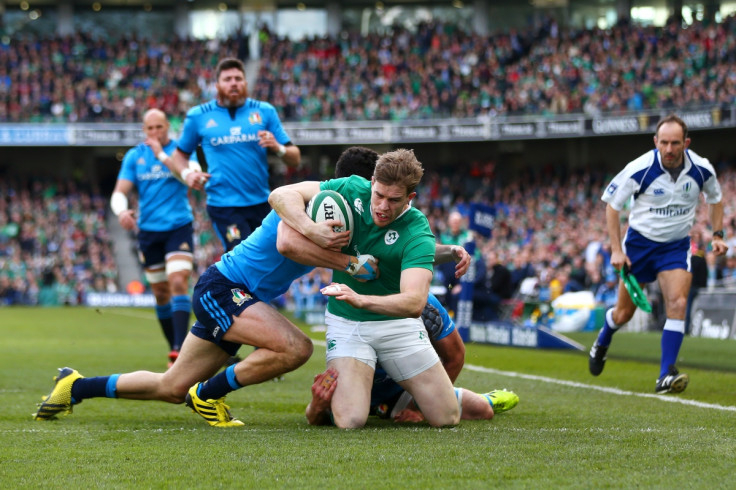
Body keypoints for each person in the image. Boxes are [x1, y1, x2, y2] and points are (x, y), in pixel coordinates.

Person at [32, 147, 466, 427]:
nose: (378, 207)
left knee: (169, 387)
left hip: (237, 295)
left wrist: (449, 252)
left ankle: (75, 385)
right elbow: (286, 241)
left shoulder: (357, 216)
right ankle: (209, 395)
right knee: (295, 348)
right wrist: (346, 260)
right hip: (224, 289)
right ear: (358, 188)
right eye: (374, 194)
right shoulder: (323, 209)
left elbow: (401, 248)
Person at [269, 149, 472, 429]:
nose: (383, 206)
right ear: (372, 182)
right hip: (348, 323)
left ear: (410, 198)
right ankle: (318, 406)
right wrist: (311, 229)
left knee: (447, 417)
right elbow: (280, 194)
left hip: (397, 325)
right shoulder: (351, 188)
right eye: (379, 195)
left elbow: (413, 303)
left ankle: (424, 397)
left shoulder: (417, 230)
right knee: (351, 420)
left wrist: (361, 299)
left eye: (394, 200)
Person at [588, 114, 728, 394]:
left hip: (675, 246)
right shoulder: (639, 168)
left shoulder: (701, 169)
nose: (669, 149)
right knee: (624, 314)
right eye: (663, 142)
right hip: (639, 247)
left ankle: (665, 375)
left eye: (675, 143)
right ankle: (604, 337)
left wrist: (717, 234)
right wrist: (616, 249)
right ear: (656, 142)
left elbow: (715, 199)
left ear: (686, 143)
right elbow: (612, 206)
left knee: (677, 302)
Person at [305, 293, 519, 425]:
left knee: (482, 410)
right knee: (334, 418)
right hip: (352, 387)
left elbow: (456, 355)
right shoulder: (346, 300)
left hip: (398, 391)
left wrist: (418, 408)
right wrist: (317, 405)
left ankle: (487, 398)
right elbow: (314, 419)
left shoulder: (425, 303)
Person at [165, 57, 301, 252]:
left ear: (245, 83)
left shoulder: (264, 111)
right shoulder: (199, 116)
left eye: (238, 78)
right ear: (217, 85)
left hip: (260, 202)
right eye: (227, 79)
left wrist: (278, 147)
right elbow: (178, 156)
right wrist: (188, 175)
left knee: (269, 257)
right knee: (242, 253)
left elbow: (295, 158)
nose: (233, 83)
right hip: (224, 205)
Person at [110, 108, 198, 366]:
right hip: (148, 232)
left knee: (178, 281)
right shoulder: (134, 156)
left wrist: (161, 154)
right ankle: (173, 347)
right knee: (160, 292)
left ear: (167, 127)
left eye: (159, 127)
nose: (155, 133)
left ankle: (180, 350)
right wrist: (121, 210)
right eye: (150, 129)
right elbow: (120, 191)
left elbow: (188, 176)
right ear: (144, 130)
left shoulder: (181, 152)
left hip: (178, 226)